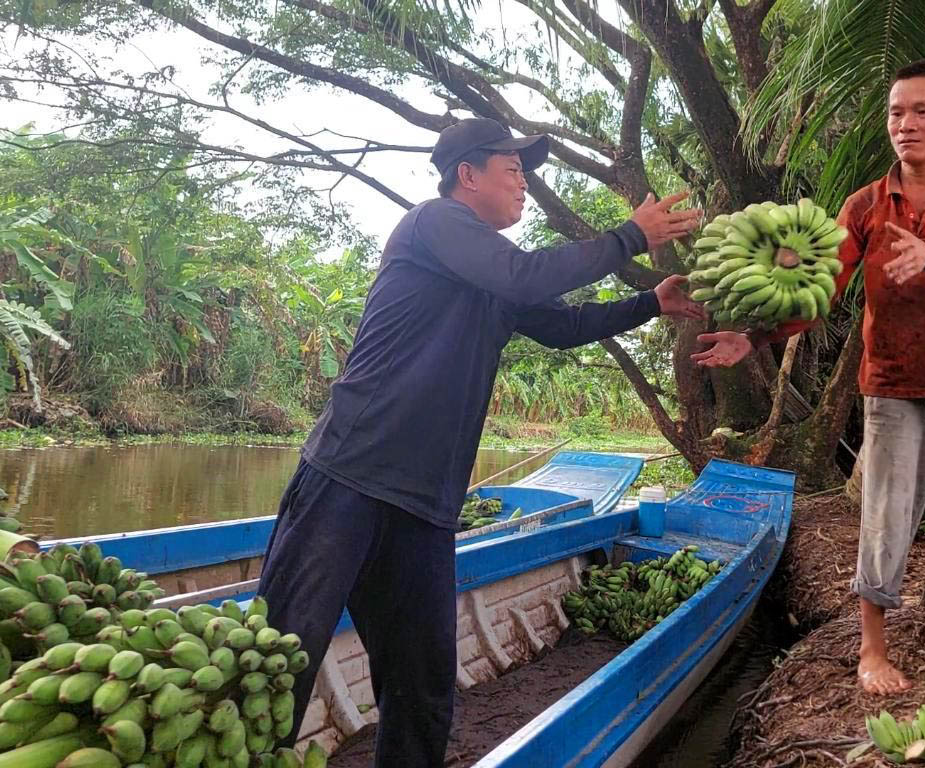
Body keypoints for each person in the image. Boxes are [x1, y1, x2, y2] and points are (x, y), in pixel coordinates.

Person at [257, 117, 704, 766]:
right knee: (282, 662)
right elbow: (525, 277)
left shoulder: (492, 278)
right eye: (512, 168)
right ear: (467, 175)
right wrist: (631, 235)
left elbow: (561, 325)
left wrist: (651, 305)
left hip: (425, 505)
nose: (525, 182)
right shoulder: (434, 224)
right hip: (348, 478)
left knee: (423, 687)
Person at [692, 59, 925, 694]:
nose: (907, 124)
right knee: (884, 516)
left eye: (922, 111)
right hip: (893, 384)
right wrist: (756, 336)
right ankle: (871, 651)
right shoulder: (866, 205)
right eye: (897, 112)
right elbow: (823, 292)